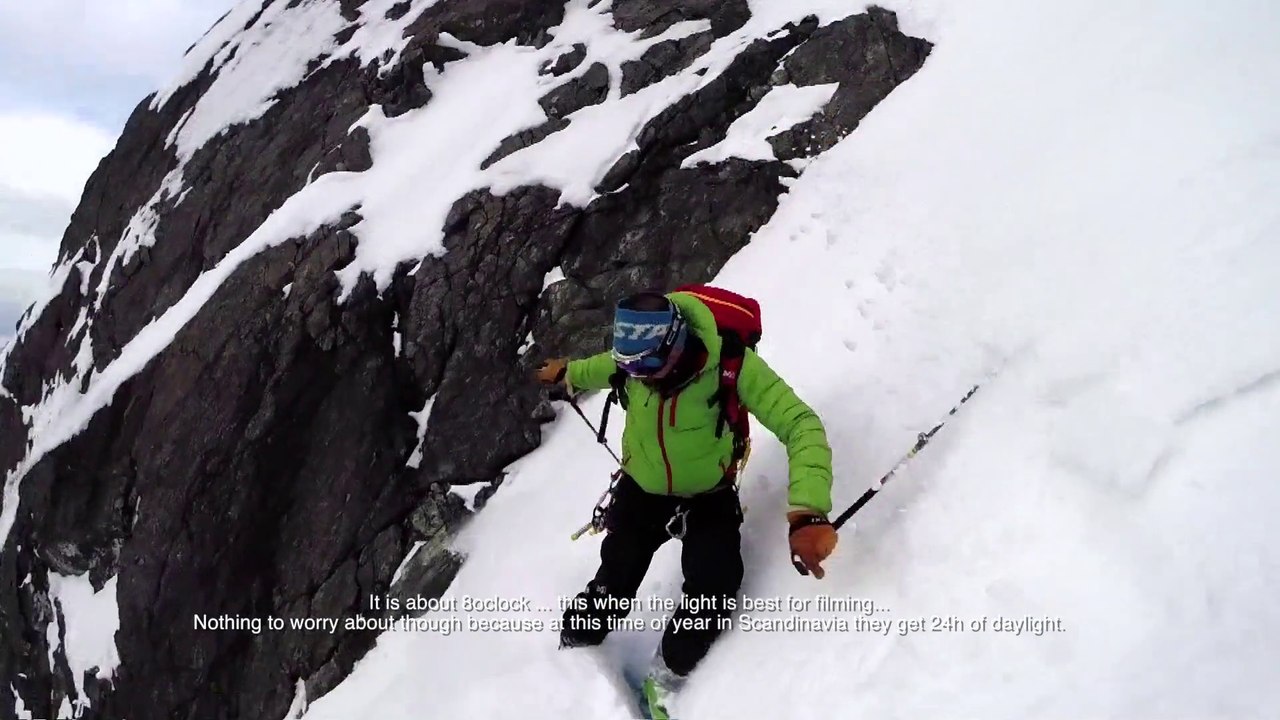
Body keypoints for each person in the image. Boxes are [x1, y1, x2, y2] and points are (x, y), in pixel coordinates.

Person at [535, 289, 837, 715]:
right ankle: (571, 648)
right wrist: (570, 372)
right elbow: (608, 366)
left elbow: (800, 424)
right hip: (640, 491)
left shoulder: (731, 366)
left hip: (708, 497)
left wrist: (808, 511)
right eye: (630, 368)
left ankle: (667, 674)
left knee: (714, 587)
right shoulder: (636, 363)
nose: (639, 377)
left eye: (646, 367)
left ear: (675, 345)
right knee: (615, 577)